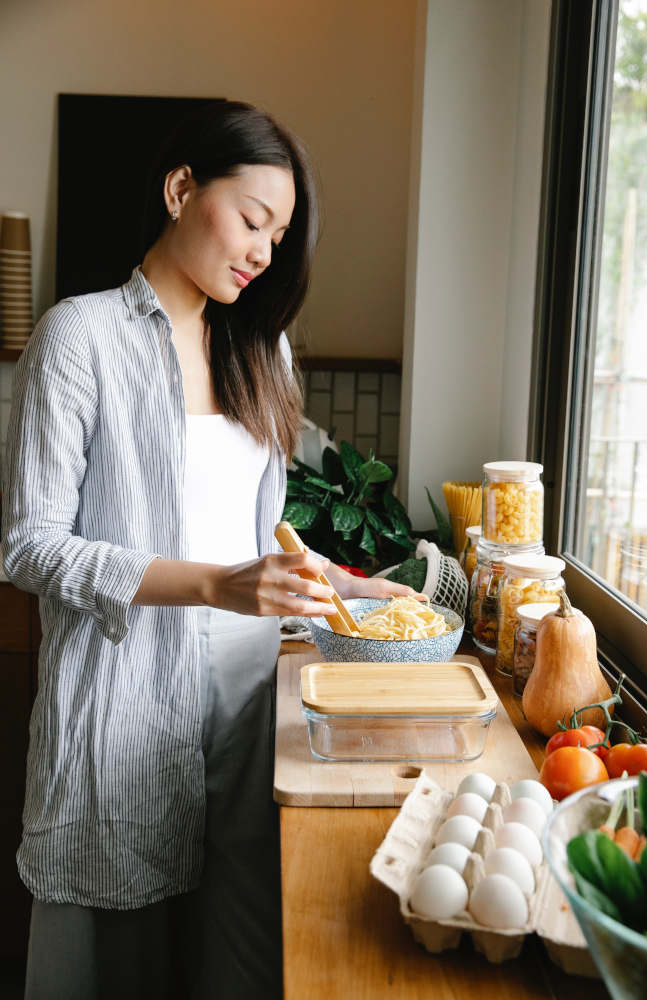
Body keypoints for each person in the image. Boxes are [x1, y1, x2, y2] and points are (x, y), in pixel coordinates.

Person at [1, 99, 422, 999]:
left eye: (279, 233)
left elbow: (261, 533)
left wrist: (355, 588)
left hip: (250, 711)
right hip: (124, 707)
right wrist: (216, 587)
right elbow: (29, 546)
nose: (264, 250)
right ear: (180, 187)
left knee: (239, 960)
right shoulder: (81, 338)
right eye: (251, 219)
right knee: (111, 968)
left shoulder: (261, 346)